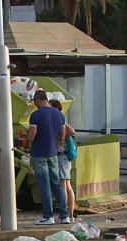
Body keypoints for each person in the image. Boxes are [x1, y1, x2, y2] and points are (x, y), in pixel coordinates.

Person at [27, 89, 68, 225]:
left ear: (38, 99)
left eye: (34, 101)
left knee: (44, 185)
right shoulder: (59, 114)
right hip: (53, 153)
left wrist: (29, 140)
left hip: (39, 153)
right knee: (56, 184)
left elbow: (32, 135)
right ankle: (64, 215)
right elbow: (62, 134)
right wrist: (55, 144)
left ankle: (47, 216)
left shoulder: (35, 115)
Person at [50, 99, 76, 221]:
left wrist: (60, 139)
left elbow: (71, 131)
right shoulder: (60, 118)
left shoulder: (59, 119)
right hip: (65, 157)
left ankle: (64, 214)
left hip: (62, 157)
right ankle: (69, 215)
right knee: (67, 185)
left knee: (63, 185)